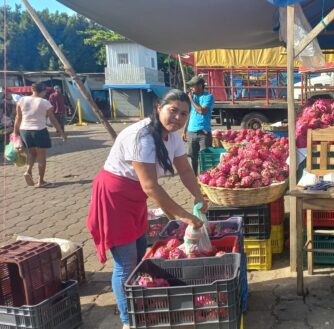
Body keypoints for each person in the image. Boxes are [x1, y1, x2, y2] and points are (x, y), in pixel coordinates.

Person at [86, 89, 208, 329]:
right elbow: (151, 187)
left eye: (184, 114)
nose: (178, 118)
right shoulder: (142, 136)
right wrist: (184, 216)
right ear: (158, 108)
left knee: (141, 254)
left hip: (135, 198)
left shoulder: (172, 135)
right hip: (115, 197)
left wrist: (198, 195)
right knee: (126, 262)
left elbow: (184, 169)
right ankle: (128, 320)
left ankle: (141, 301)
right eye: (173, 111)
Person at [14, 82, 66, 187]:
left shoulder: (22, 100)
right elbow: (53, 120)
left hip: (25, 130)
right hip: (39, 131)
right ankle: (41, 181)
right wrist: (61, 133)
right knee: (42, 158)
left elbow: (18, 118)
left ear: (33, 90)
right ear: (43, 91)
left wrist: (15, 132)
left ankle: (28, 171)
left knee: (32, 154)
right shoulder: (45, 102)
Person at [183, 76, 214, 175]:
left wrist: (191, 99)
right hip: (191, 132)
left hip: (204, 133)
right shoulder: (193, 97)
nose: (191, 88)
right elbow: (189, 115)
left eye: (193, 86)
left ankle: (204, 178)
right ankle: (195, 177)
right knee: (193, 157)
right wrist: (184, 131)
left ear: (200, 86)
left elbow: (201, 111)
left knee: (204, 158)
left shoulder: (208, 97)